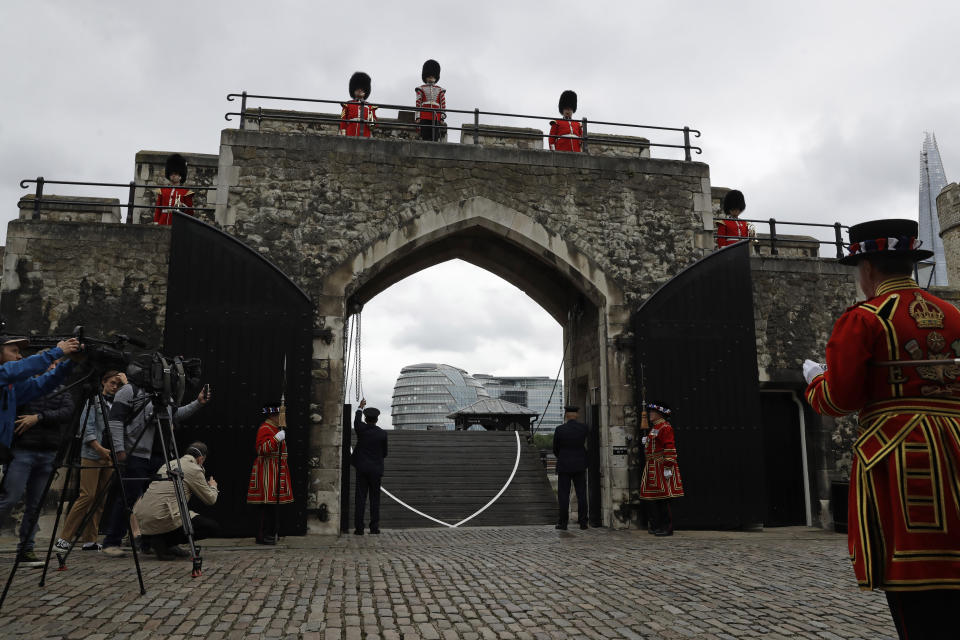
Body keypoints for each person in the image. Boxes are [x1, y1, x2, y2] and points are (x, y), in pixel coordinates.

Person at [804, 218, 960, 640]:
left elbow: (841, 398)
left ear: (868, 269)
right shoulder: (954, 314)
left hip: (901, 454)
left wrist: (816, 381)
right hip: (956, 445)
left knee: (915, 584)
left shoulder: (864, 318)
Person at [99, 381, 210, 557]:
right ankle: (111, 542)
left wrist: (197, 403)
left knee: (156, 502)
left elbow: (175, 414)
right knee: (127, 499)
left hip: (159, 456)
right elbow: (115, 421)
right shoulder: (130, 391)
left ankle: (151, 544)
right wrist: (119, 449)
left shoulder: (165, 395)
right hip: (136, 454)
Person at [55, 370, 125, 552]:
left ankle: (90, 539)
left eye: (117, 384)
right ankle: (64, 538)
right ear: (103, 382)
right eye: (112, 383)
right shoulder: (92, 402)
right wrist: (99, 449)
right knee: (87, 495)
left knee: (100, 499)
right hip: (93, 454)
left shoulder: (119, 404)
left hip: (109, 457)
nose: (115, 387)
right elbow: (87, 429)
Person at [133, 441, 219, 560]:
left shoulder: (169, 463)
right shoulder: (194, 468)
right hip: (162, 517)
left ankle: (164, 543)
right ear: (200, 459)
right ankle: (163, 543)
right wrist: (213, 486)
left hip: (144, 518)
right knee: (211, 527)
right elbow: (210, 499)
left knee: (180, 513)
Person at [247, 402, 293, 544]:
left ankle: (270, 533)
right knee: (266, 505)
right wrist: (276, 439)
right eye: (280, 415)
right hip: (267, 470)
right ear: (274, 415)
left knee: (271, 506)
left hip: (275, 469)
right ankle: (263, 535)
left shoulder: (274, 428)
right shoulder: (265, 428)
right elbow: (262, 449)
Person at [638, 401, 684, 536]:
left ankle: (667, 527)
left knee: (664, 499)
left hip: (661, 464)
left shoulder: (665, 427)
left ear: (659, 414)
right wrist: (647, 443)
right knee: (651, 498)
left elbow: (669, 446)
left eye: (652, 412)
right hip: (652, 465)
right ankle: (655, 525)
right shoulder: (655, 427)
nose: (650, 414)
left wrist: (668, 465)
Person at [352, 399, 387, 535]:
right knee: (374, 499)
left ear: (366, 419)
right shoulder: (382, 434)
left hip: (361, 468)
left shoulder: (361, 429)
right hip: (376, 470)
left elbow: (356, 421)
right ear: (377, 419)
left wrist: (361, 407)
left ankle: (359, 528)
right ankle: (374, 527)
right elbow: (385, 453)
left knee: (360, 498)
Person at [553, 405, 589, 530]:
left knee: (563, 495)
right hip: (580, 464)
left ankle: (563, 523)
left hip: (564, 465)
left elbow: (555, 449)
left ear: (566, 415)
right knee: (582, 494)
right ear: (577, 415)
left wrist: (563, 456)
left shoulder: (560, 429)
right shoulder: (584, 428)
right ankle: (583, 522)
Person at [153, 153, 195, 225]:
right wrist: (156, 223)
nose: (173, 175)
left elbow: (190, 212)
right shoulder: (162, 191)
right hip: (162, 221)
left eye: (175, 174)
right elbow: (158, 209)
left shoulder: (186, 193)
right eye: (171, 174)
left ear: (180, 176)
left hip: (178, 223)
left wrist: (183, 207)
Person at [415, 59, 446, 142]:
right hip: (424, 114)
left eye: (433, 76)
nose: (431, 78)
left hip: (436, 115)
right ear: (426, 77)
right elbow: (418, 103)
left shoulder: (440, 90)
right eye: (429, 76)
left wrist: (442, 118)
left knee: (435, 135)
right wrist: (418, 116)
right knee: (425, 134)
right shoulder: (421, 89)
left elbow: (442, 104)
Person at [339, 72, 377, 138]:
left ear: (365, 91)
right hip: (350, 132)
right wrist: (343, 132)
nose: (359, 90)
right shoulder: (348, 104)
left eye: (362, 89)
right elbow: (343, 120)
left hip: (365, 132)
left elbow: (374, 125)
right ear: (353, 90)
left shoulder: (370, 106)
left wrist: (372, 122)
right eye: (357, 89)